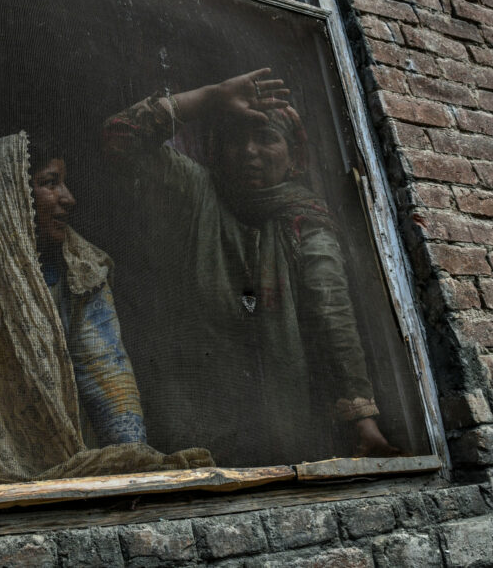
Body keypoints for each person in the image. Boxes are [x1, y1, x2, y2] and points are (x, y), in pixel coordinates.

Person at [102, 69, 397, 466]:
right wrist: (209, 95)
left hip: (285, 424)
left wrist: (364, 424)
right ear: (217, 151)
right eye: (235, 140)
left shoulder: (304, 221)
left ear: (294, 157)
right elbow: (120, 136)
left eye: (266, 138)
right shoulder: (196, 191)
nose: (249, 152)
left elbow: (332, 315)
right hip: (198, 418)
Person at [0, 132, 211, 488]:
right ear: (9, 193)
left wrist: (132, 460)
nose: (68, 198)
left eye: (64, 182)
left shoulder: (79, 264)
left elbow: (104, 367)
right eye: (50, 183)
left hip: (70, 456)